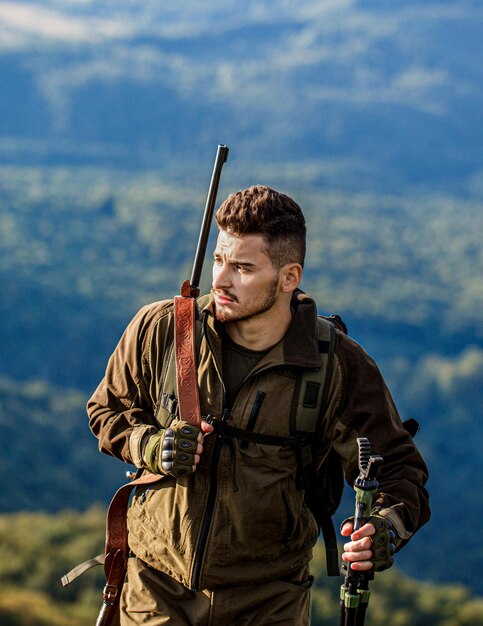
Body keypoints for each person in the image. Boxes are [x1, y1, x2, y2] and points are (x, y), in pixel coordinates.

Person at [88, 185, 430, 625]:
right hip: (155, 590)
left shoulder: (335, 366)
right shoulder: (161, 329)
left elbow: (401, 471)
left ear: (289, 277)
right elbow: (105, 412)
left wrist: (385, 529)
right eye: (218, 260)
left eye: (243, 268)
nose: (221, 280)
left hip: (269, 601)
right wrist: (149, 446)